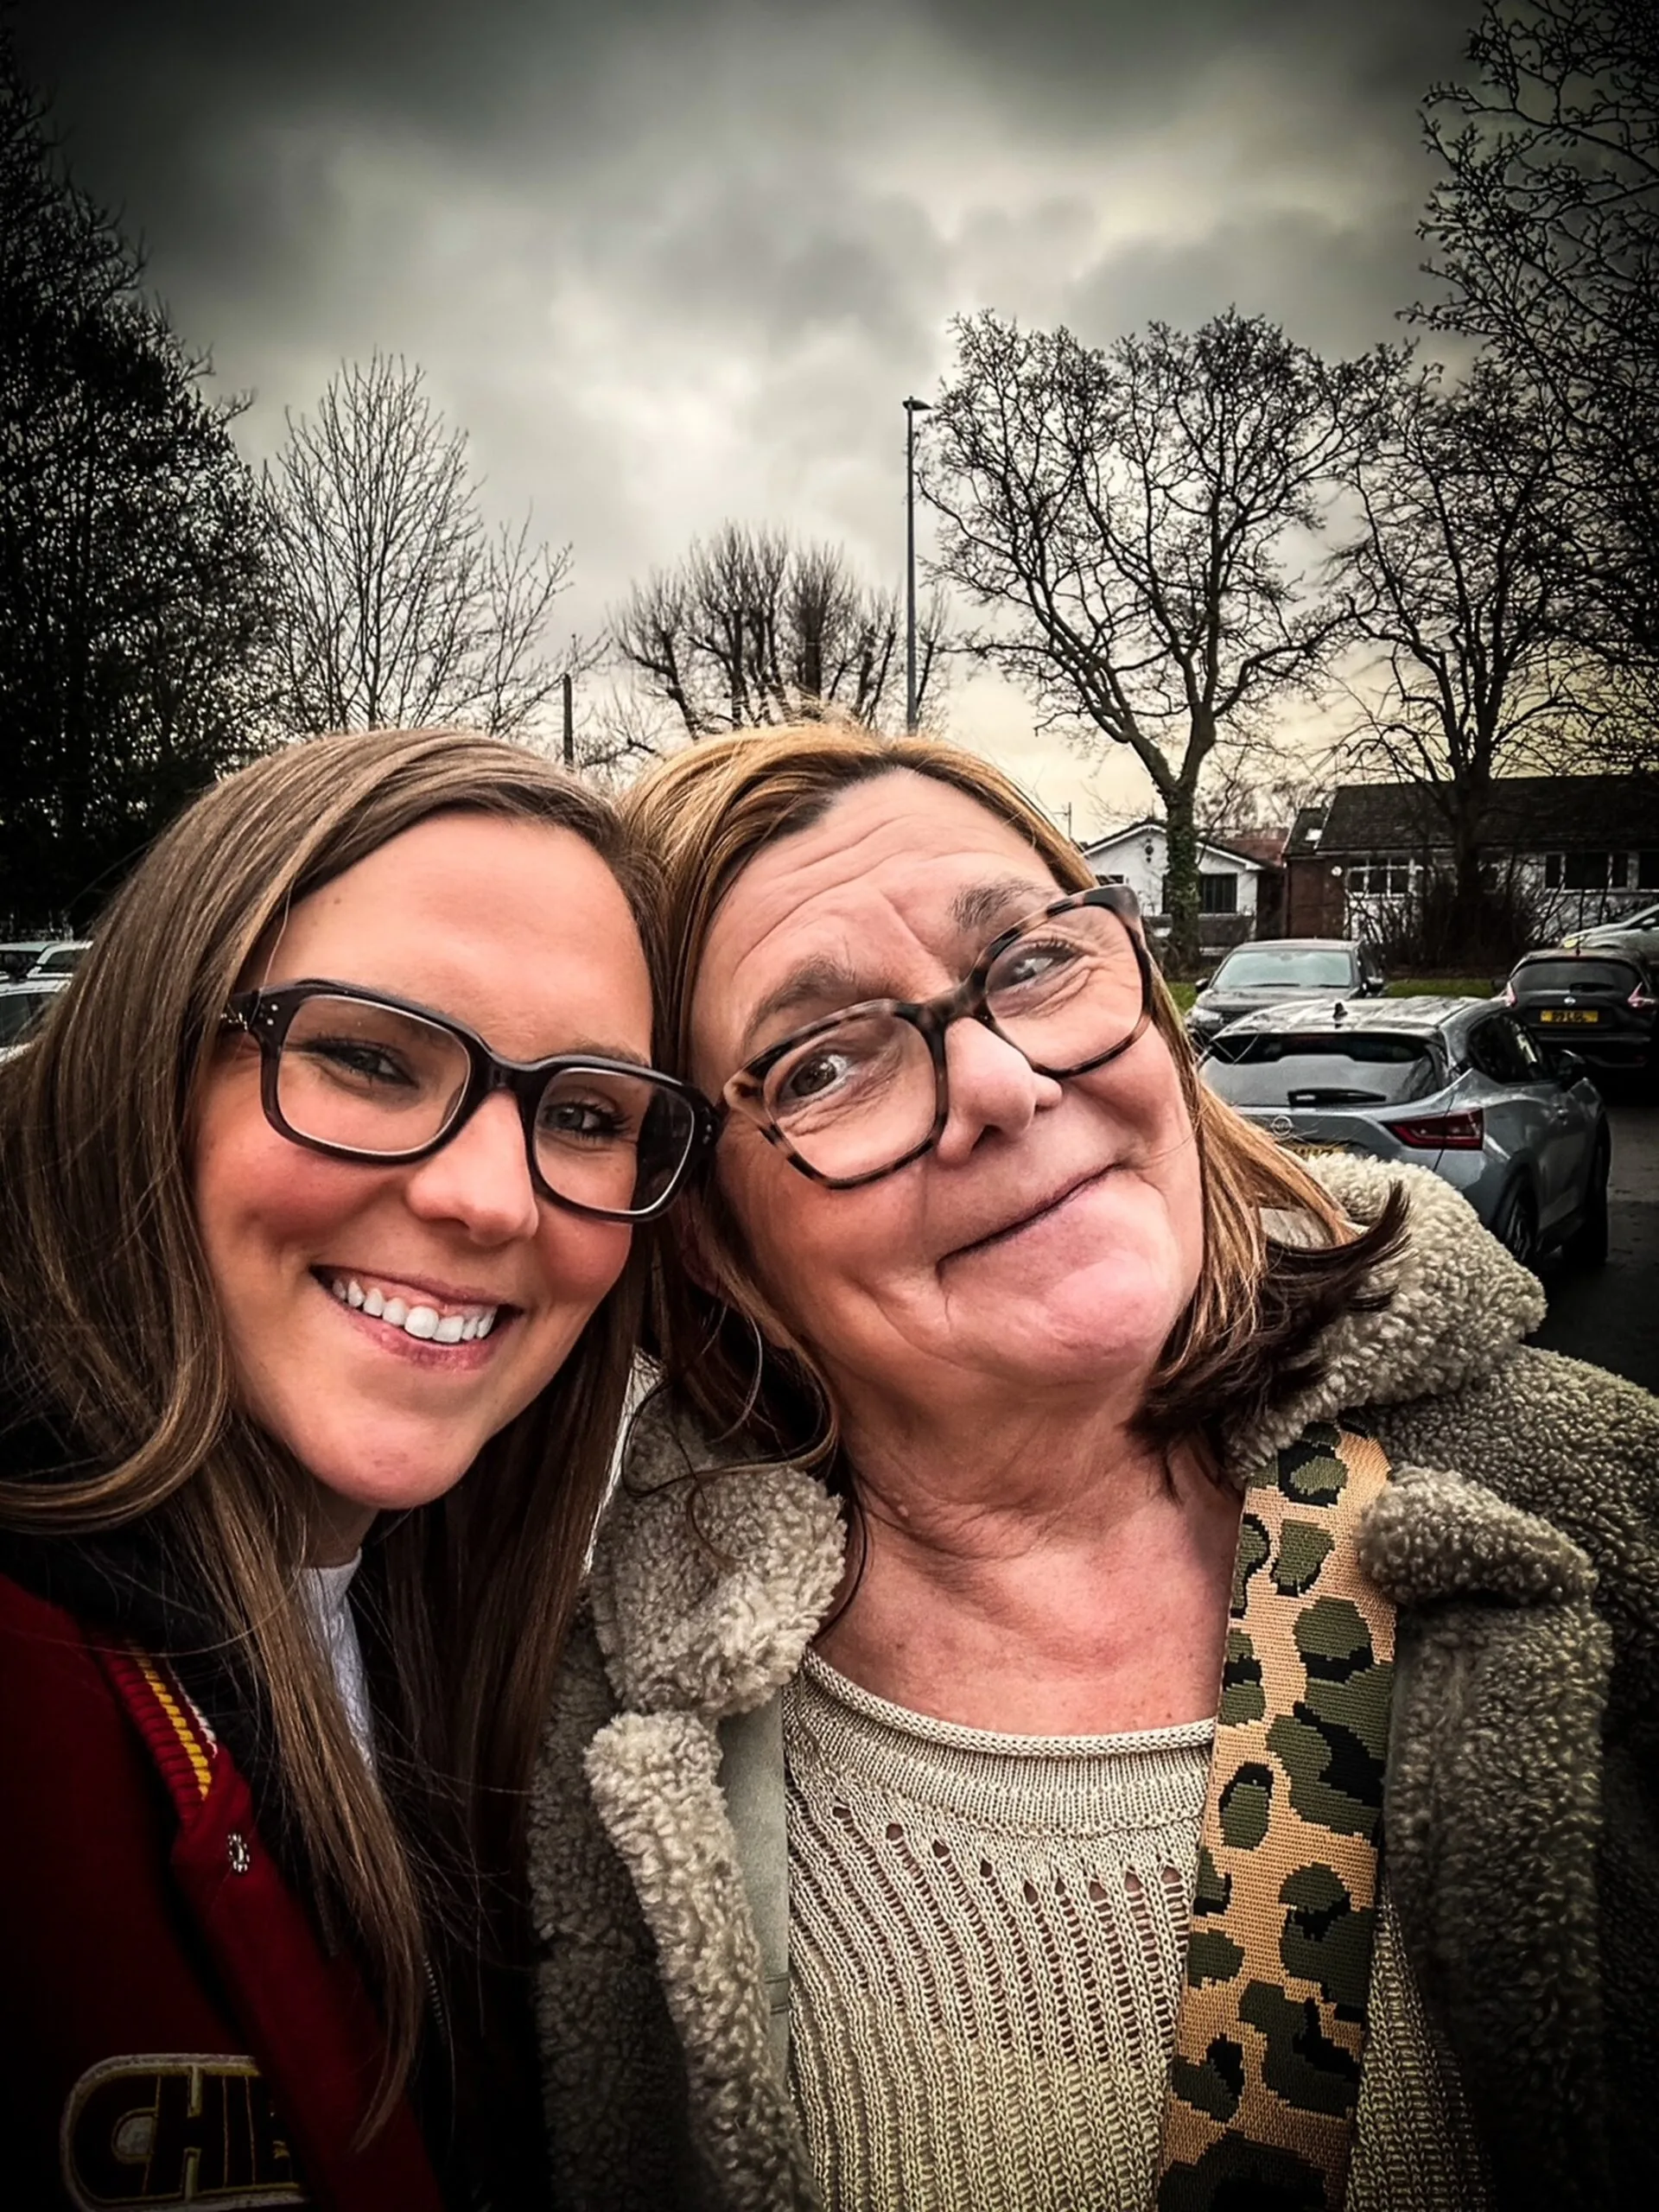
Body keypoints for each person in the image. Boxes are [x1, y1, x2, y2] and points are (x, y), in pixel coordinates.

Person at [531, 724, 1658, 2212]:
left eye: (1031, 964)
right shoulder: (574, 1737)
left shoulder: (1593, 1500)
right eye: (829, 1059)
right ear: (712, 1243)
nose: (1001, 1083)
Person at [0, 728, 714, 2211]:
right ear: (153, 1056)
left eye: (585, 1115)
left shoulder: (516, 1671)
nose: (486, 1199)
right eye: (368, 1058)